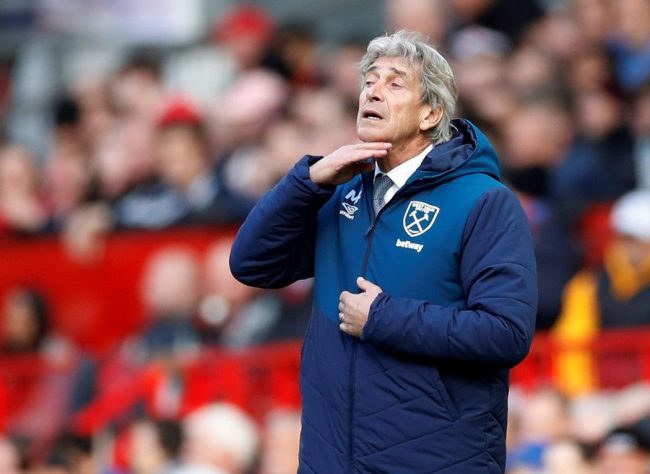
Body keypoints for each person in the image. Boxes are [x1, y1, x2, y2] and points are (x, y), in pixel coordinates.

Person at [230, 30, 537, 473]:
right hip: (330, 460)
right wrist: (307, 182)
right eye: (369, 81)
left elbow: (506, 332)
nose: (372, 92)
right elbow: (252, 263)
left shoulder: (483, 201)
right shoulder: (341, 191)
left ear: (431, 113)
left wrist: (383, 318)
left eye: (395, 83)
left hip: (434, 462)